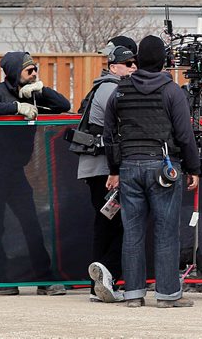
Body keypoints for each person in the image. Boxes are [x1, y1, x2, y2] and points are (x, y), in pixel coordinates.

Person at [103, 35, 201, 308]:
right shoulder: (172, 91)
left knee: (132, 231)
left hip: (129, 167)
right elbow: (184, 134)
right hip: (163, 166)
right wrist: (193, 168)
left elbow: (109, 134)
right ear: (164, 61)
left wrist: (115, 168)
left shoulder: (120, 91)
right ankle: (167, 294)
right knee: (166, 230)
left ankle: (134, 293)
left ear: (137, 59)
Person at [0, 51, 71, 296]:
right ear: (13, 71)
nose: (34, 73)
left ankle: (45, 279)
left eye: (35, 70)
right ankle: (0, 281)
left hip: (15, 171)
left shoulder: (33, 93)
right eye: (28, 70)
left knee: (31, 223)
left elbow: (64, 105)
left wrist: (40, 91)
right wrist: (16, 107)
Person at [80, 36, 138, 303]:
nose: (133, 67)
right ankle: (106, 273)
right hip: (106, 170)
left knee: (105, 225)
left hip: (97, 168)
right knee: (124, 226)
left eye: (135, 62)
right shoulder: (113, 90)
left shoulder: (103, 87)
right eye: (128, 63)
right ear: (113, 66)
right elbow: (120, 131)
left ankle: (98, 282)